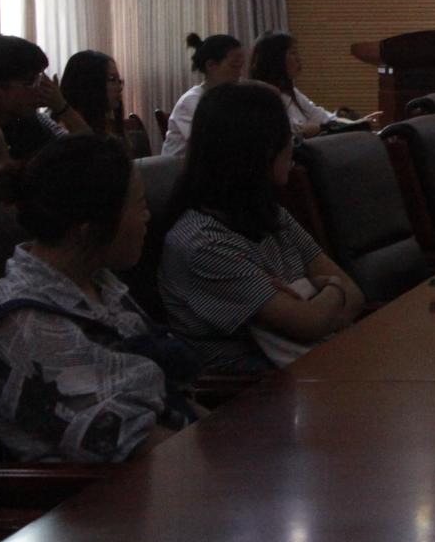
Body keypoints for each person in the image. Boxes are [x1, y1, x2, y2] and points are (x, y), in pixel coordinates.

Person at [0, 136, 200, 462]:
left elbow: (169, 398)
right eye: (139, 206)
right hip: (112, 486)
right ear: (88, 230)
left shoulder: (97, 283)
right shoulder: (25, 326)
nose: (147, 217)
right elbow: (132, 442)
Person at [158, 82, 362, 371]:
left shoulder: (272, 215)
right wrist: (332, 286)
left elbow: (355, 295)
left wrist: (322, 294)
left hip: (312, 370)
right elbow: (309, 323)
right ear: (262, 151)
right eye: (288, 136)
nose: (293, 146)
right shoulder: (204, 243)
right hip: (255, 391)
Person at [0, 34, 91, 160]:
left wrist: (62, 107)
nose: (40, 89)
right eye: (30, 82)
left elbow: (92, 151)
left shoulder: (30, 122)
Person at [248, 32, 378, 138]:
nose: (298, 59)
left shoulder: (292, 92)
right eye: (292, 53)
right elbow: (295, 132)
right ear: (275, 59)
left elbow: (322, 117)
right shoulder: (262, 98)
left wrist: (355, 124)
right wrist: (318, 128)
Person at [162, 33, 246, 158]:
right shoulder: (191, 101)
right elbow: (212, 144)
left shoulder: (229, 97)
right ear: (211, 65)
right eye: (234, 66)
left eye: (241, 66)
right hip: (180, 168)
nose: (239, 73)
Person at [59, 50, 131, 153]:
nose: (119, 87)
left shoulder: (109, 126)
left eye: (119, 80)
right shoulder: (64, 132)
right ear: (88, 84)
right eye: (112, 79)